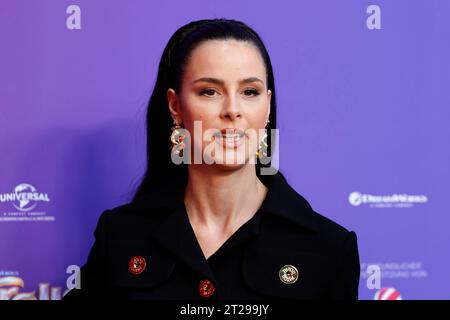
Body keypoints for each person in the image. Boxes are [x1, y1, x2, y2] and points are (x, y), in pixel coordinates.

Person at [64, 18, 360, 300]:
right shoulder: (120, 236)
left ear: (267, 107)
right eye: (209, 91)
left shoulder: (329, 249)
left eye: (249, 91)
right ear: (175, 106)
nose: (232, 109)